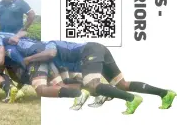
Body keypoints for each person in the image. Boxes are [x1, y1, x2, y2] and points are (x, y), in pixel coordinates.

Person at [24, 40, 176, 114]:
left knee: (92, 85)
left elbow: (50, 53)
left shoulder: (50, 45)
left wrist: (29, 59)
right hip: (97, 50)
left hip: (90, 50)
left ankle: (131, 99)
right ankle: (165, 93)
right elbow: (65, 80)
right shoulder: (59, 63)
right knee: (122, 84)